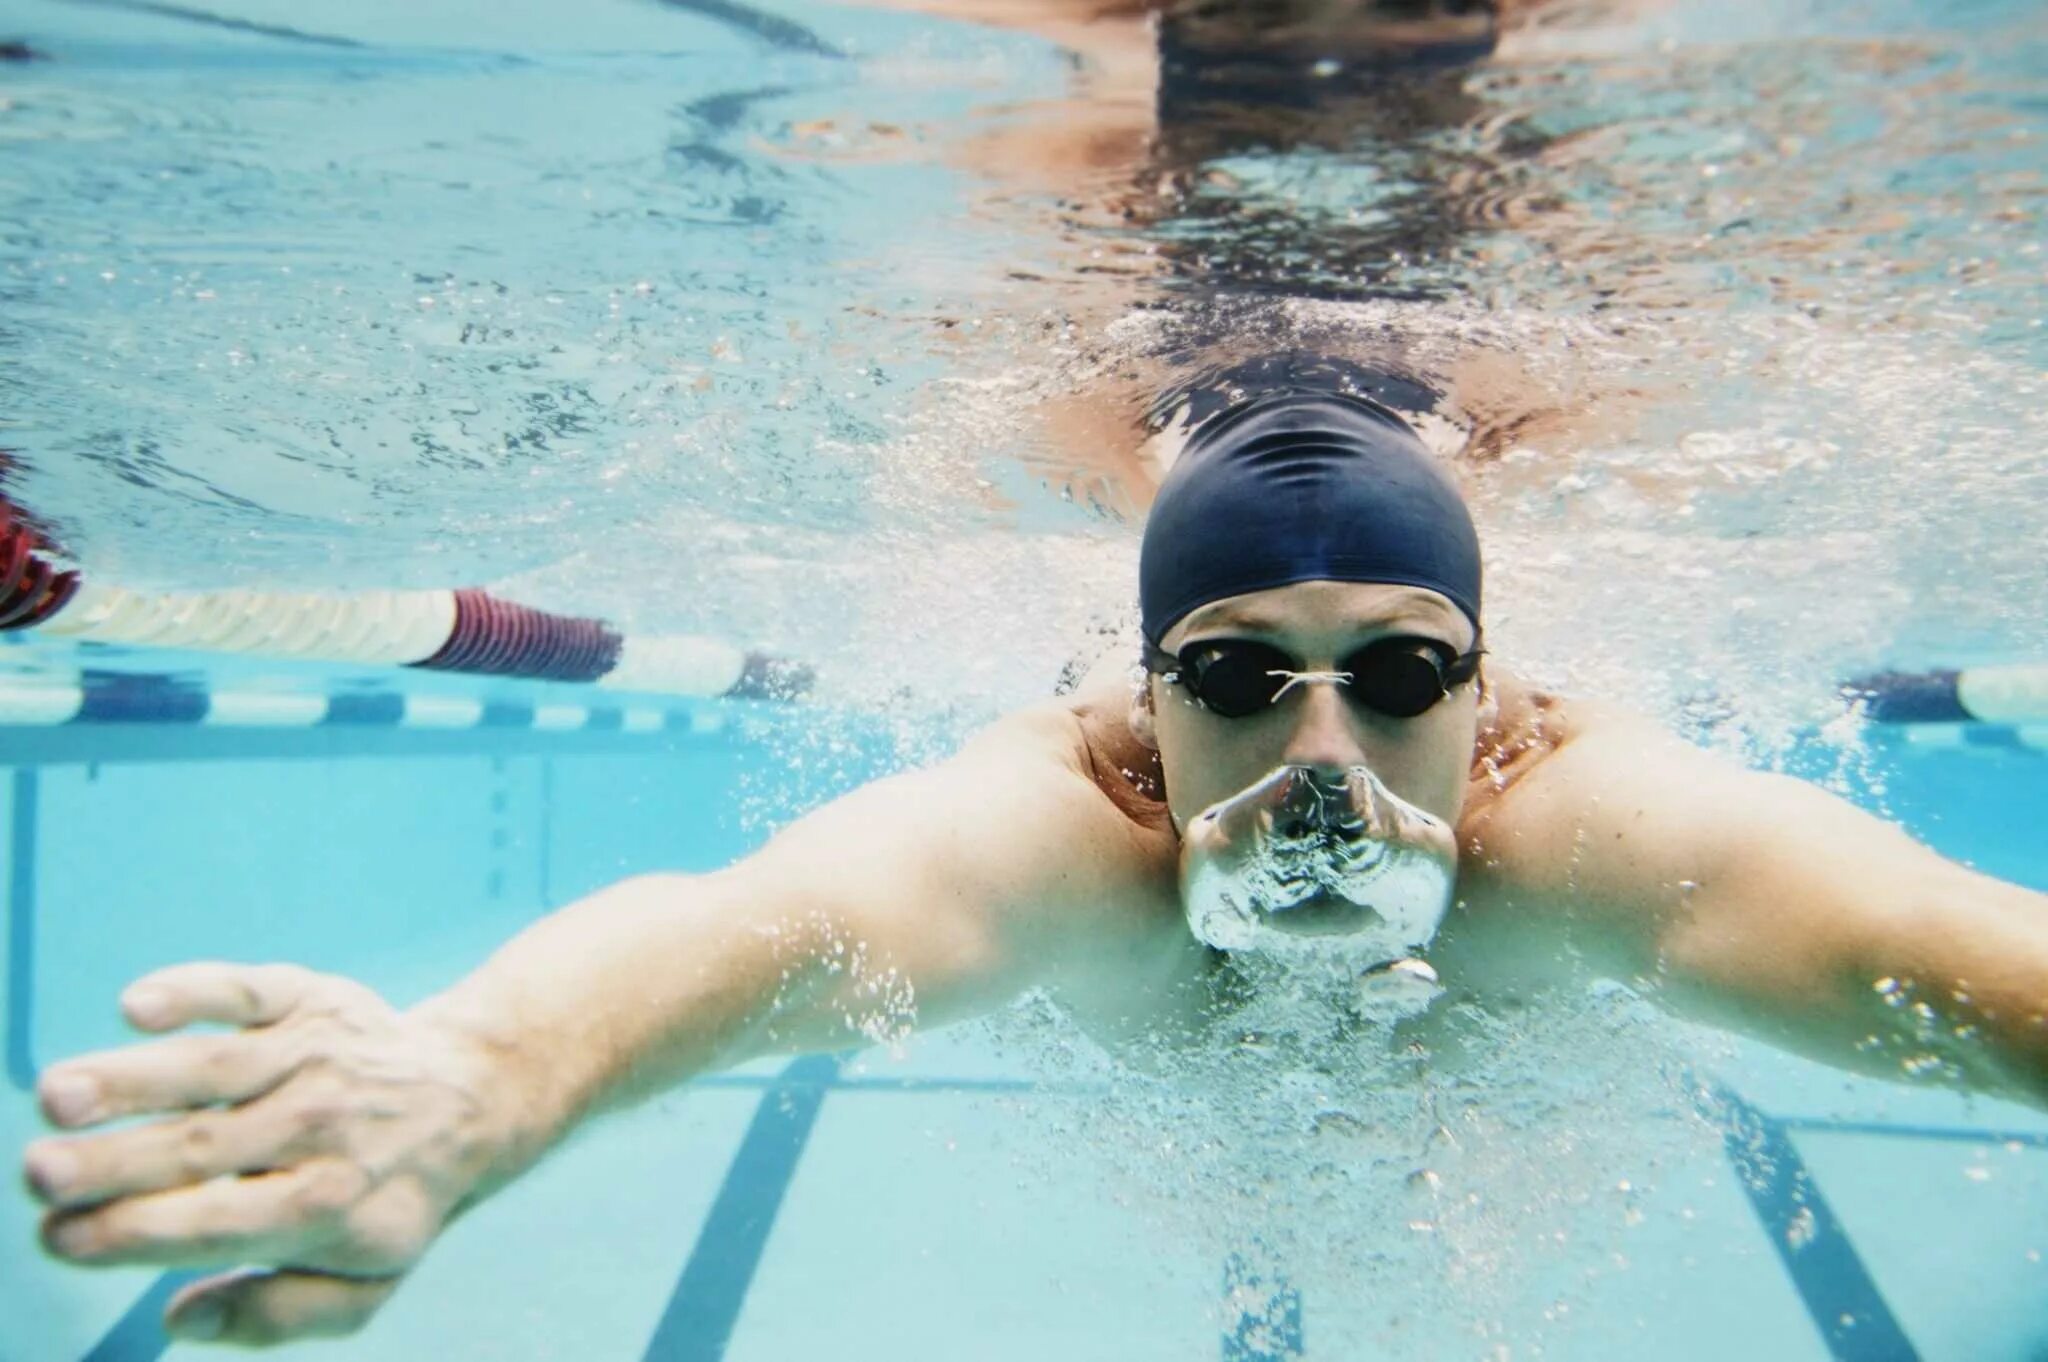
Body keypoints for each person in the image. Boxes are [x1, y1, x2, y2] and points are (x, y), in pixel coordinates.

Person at [20, 361, 2048, 1347]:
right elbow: (758, 930)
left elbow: (1961, 967)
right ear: (1144, 694)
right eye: (1239, 677)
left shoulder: (1577, 815)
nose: (1324, 752)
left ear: (1487, 685)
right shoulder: (1067, 823)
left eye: (1403, 670)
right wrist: (487, 1078)